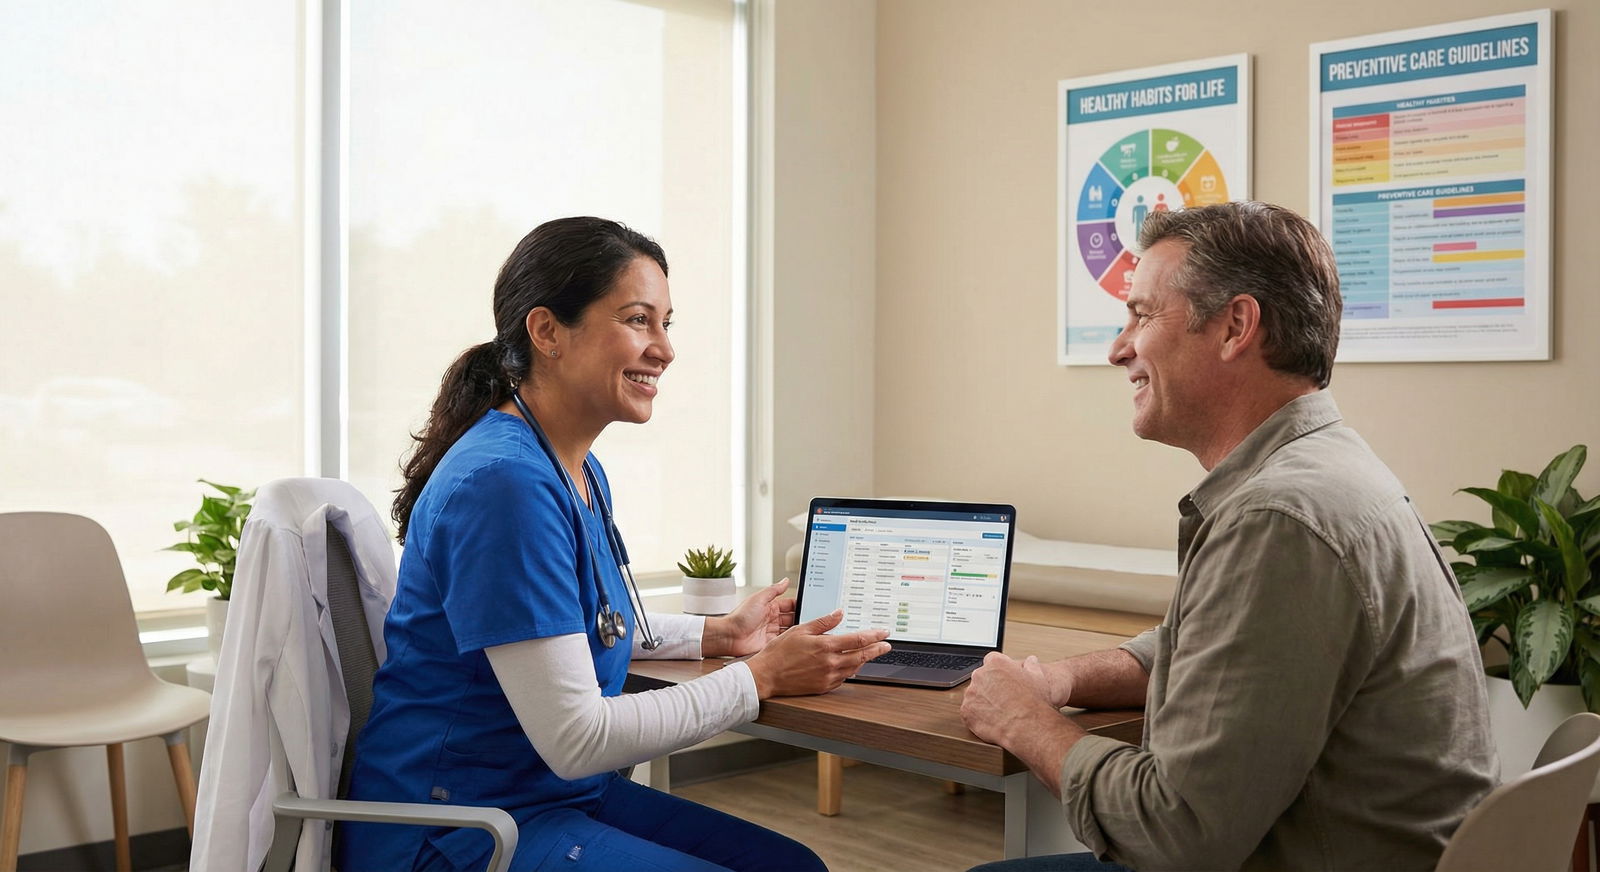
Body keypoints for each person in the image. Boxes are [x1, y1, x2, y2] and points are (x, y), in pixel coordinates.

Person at [339, 216, 891, 871]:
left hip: (547, 795)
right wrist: (762, 676)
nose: (664, 348)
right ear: (547, 332)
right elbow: (577, 735)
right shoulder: (504, 485)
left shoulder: (574, 468)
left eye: (666, 323)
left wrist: (717, 637)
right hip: (458, 828)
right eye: (637, 320)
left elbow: (577, 628)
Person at [961, 202, 1496, 872]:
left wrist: (1024, 722)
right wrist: (1060, 679)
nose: (1118, 347)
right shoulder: (1332, 469)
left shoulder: (1280, 518)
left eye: (1142, 314)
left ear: (1236, 326)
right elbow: (1226, 649)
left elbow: (1174, 833)